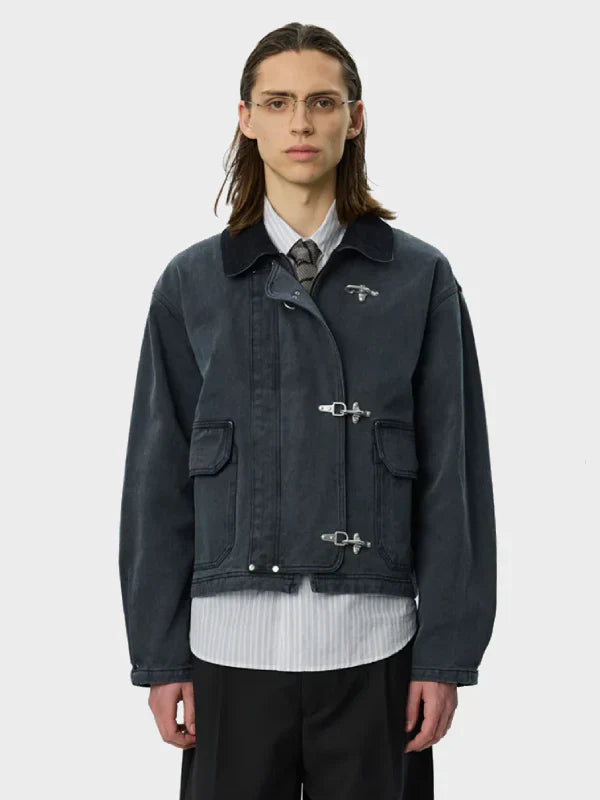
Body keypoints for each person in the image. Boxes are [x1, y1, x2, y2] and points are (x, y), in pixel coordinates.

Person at [118, 21, 497, 800]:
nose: (301, 122)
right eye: (278, 102)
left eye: (322, 102)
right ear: (246, 118)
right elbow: (156, 481)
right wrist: (159, 655)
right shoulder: (192, 283)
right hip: (227, 652)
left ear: (354, 119)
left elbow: (455, 476)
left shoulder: (420, 278)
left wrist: (445, 654)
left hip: (377, 647)